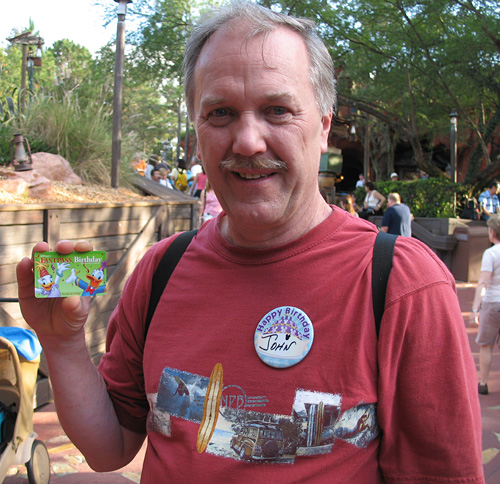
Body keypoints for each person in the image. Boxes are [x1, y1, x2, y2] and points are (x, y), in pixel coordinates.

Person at [16, 2, 483, 482]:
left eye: (277, 110)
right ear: (197, 133)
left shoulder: (403, 282)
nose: (248, 141)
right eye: (220, 114)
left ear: (323, 127)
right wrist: (63, 342)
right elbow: (110, 448)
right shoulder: (161, 270)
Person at [471, 214, 500, 395]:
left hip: (492, 302)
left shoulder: (490, 254)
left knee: (485, 345)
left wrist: (475, 308)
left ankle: (483, 382)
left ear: (492, 232)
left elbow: (483, 282)